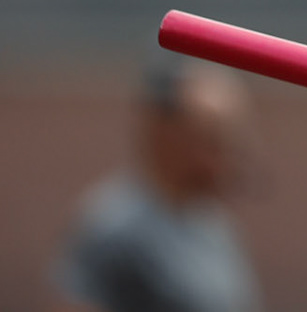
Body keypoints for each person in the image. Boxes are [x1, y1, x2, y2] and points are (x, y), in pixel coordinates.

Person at [51, 59, 263, 312]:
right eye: (211, 141)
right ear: (164, 134)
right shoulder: (113, 226)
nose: (225, 159)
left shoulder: (215, 225)